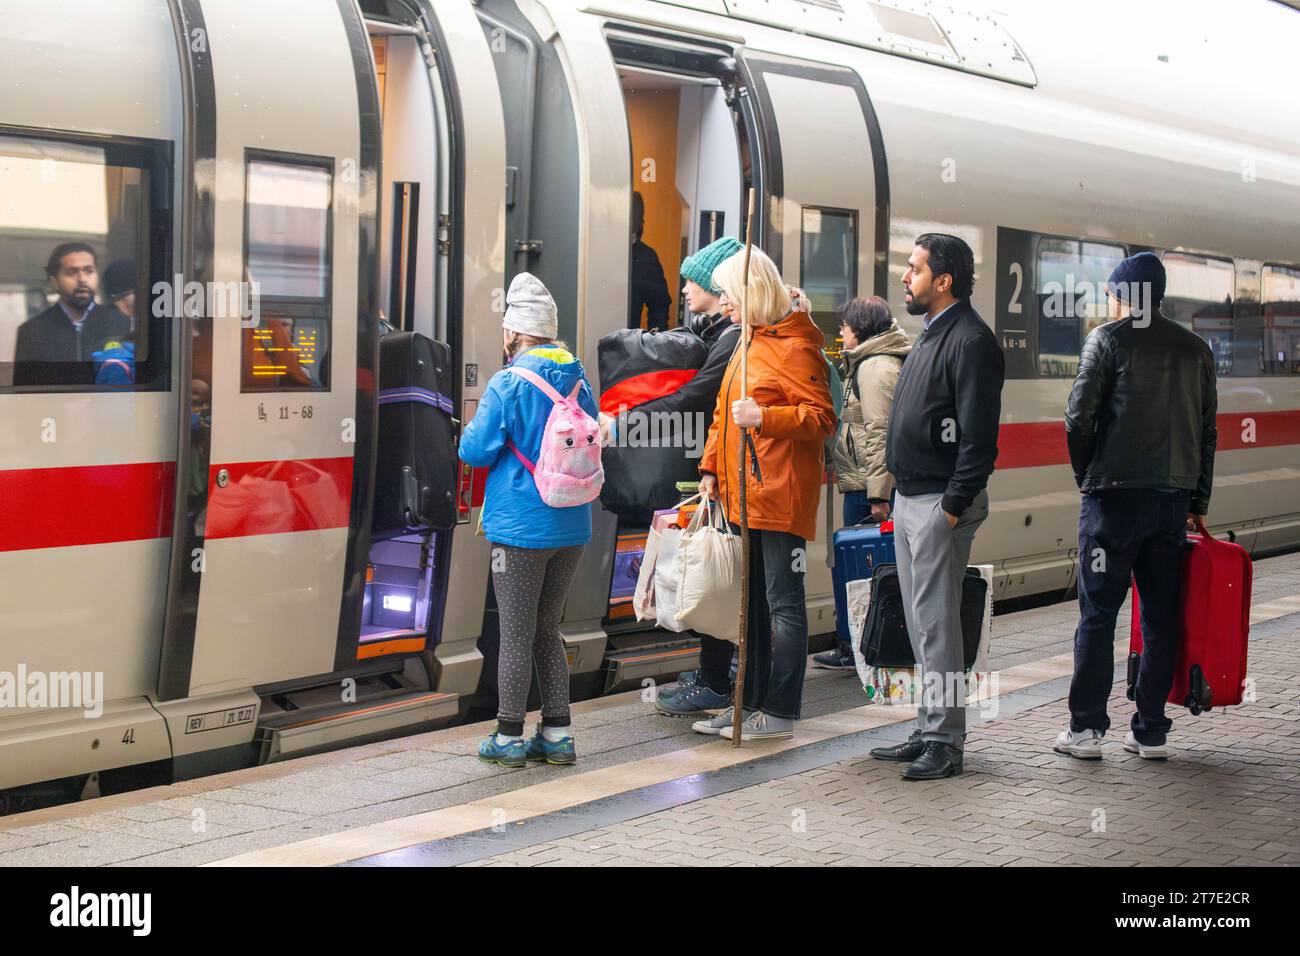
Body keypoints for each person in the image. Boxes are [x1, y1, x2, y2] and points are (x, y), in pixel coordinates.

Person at [1055, 252, 1217, 762]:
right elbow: (1207, 432)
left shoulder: (1106, 339)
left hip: (1112, 502)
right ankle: (1151, 731)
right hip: (1171, 504)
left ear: (1122, 294)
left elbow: (1078, 419)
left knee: (1098, 615)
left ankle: (1085, 731)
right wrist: (1197, 500)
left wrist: (1088, 476)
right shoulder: (1196, 348)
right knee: (1160, 615)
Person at [871, 233, 1003, 780]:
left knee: (938, 627)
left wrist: (950, 508)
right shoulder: (933, 334)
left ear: (943, 280)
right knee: (924, 625)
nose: (906, 276)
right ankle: (929, 727)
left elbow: (978, 440)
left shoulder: (970, 341)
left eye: (915, 268)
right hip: (912, 498)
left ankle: (946, 741)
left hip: (937, 504)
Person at [693, 247, 836, 741]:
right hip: (742, 494)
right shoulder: (749, 342)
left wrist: (766, 418)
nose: (722, 303)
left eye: (728, 294)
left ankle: (778, 711)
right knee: (749, 605)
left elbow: (822, 419)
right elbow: (722, 410)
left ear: (750, 293)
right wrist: (711, 466)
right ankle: (745, 703)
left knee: (782, 605)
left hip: (779, 497)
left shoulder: (796, 348)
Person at [459, 272, 599, 769]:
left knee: (515, 630)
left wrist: (471, 424)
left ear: (513, 334)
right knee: (547, 627)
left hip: (520, 528)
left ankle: (509, 736)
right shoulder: (579, 378)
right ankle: (557, 734)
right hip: (573, 524)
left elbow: (475, 450)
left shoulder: (509, 381)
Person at [609, 235, 745, 718]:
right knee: (716, 570)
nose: (684, 289)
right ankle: (718, 672)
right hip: (717, 473)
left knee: (715, 571)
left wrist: (626, 420)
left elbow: (694, 397)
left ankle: (715, 680)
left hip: (726, 477)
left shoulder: (730, 340)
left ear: (717, 284)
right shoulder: (718, 334)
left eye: (693, 280)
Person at [812, 295, 912, 670]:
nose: (841, 332)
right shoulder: (872, 363)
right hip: (864, 485)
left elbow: (879, 432)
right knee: (864, 568)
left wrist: (878, 494)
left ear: (861, 329)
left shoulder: (875, 368)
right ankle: (860, 643)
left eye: (845, 326)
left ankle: (857, 645)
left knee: (860, 570)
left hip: (867, 490)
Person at [14, 242, 130, 386]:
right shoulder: (32, 331)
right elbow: (24, 392)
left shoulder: (122, 324)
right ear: (54, 282)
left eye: (89, 271)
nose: (82, 279)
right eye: (71, 272)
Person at [628, 191, 672, 330]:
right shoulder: (646, 256)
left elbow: (659, 306)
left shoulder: (646, 258)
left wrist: (655, 341)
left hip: (627, 341)